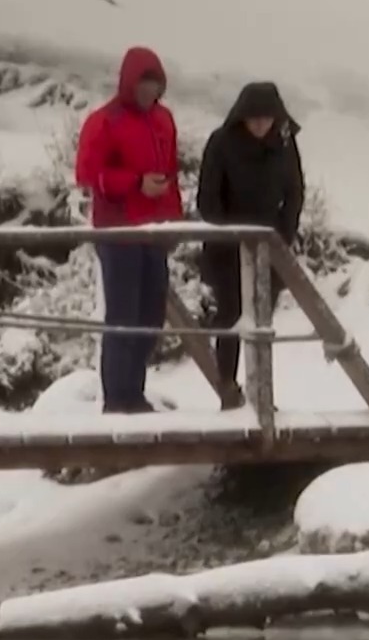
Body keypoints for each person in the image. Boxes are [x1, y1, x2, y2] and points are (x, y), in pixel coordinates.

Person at [74, 46, 184, 414]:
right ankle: (118, 399)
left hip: (153, 230)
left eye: (155, 84)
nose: (150, 92)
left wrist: (173, 220)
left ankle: (133, 392)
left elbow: (171, 173)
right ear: (129, 83)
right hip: (118, 231)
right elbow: (88, 174)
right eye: (144, 84)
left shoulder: (164, 120)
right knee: (123, 316)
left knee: (151, 316)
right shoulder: (104, 121)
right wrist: (135, 183)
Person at [195, 81, 304, 409]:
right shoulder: (221, 142)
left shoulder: (284, 143)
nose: (260, 124)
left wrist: (281, 235)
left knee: (261, 325)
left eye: (266, 117)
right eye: (253, 117)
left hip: (270, 249)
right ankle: (228, 393)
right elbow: (208, 200)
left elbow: (295, 191)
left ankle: (261, 396)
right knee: (229, 320)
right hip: (227, 248)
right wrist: (235, 234)